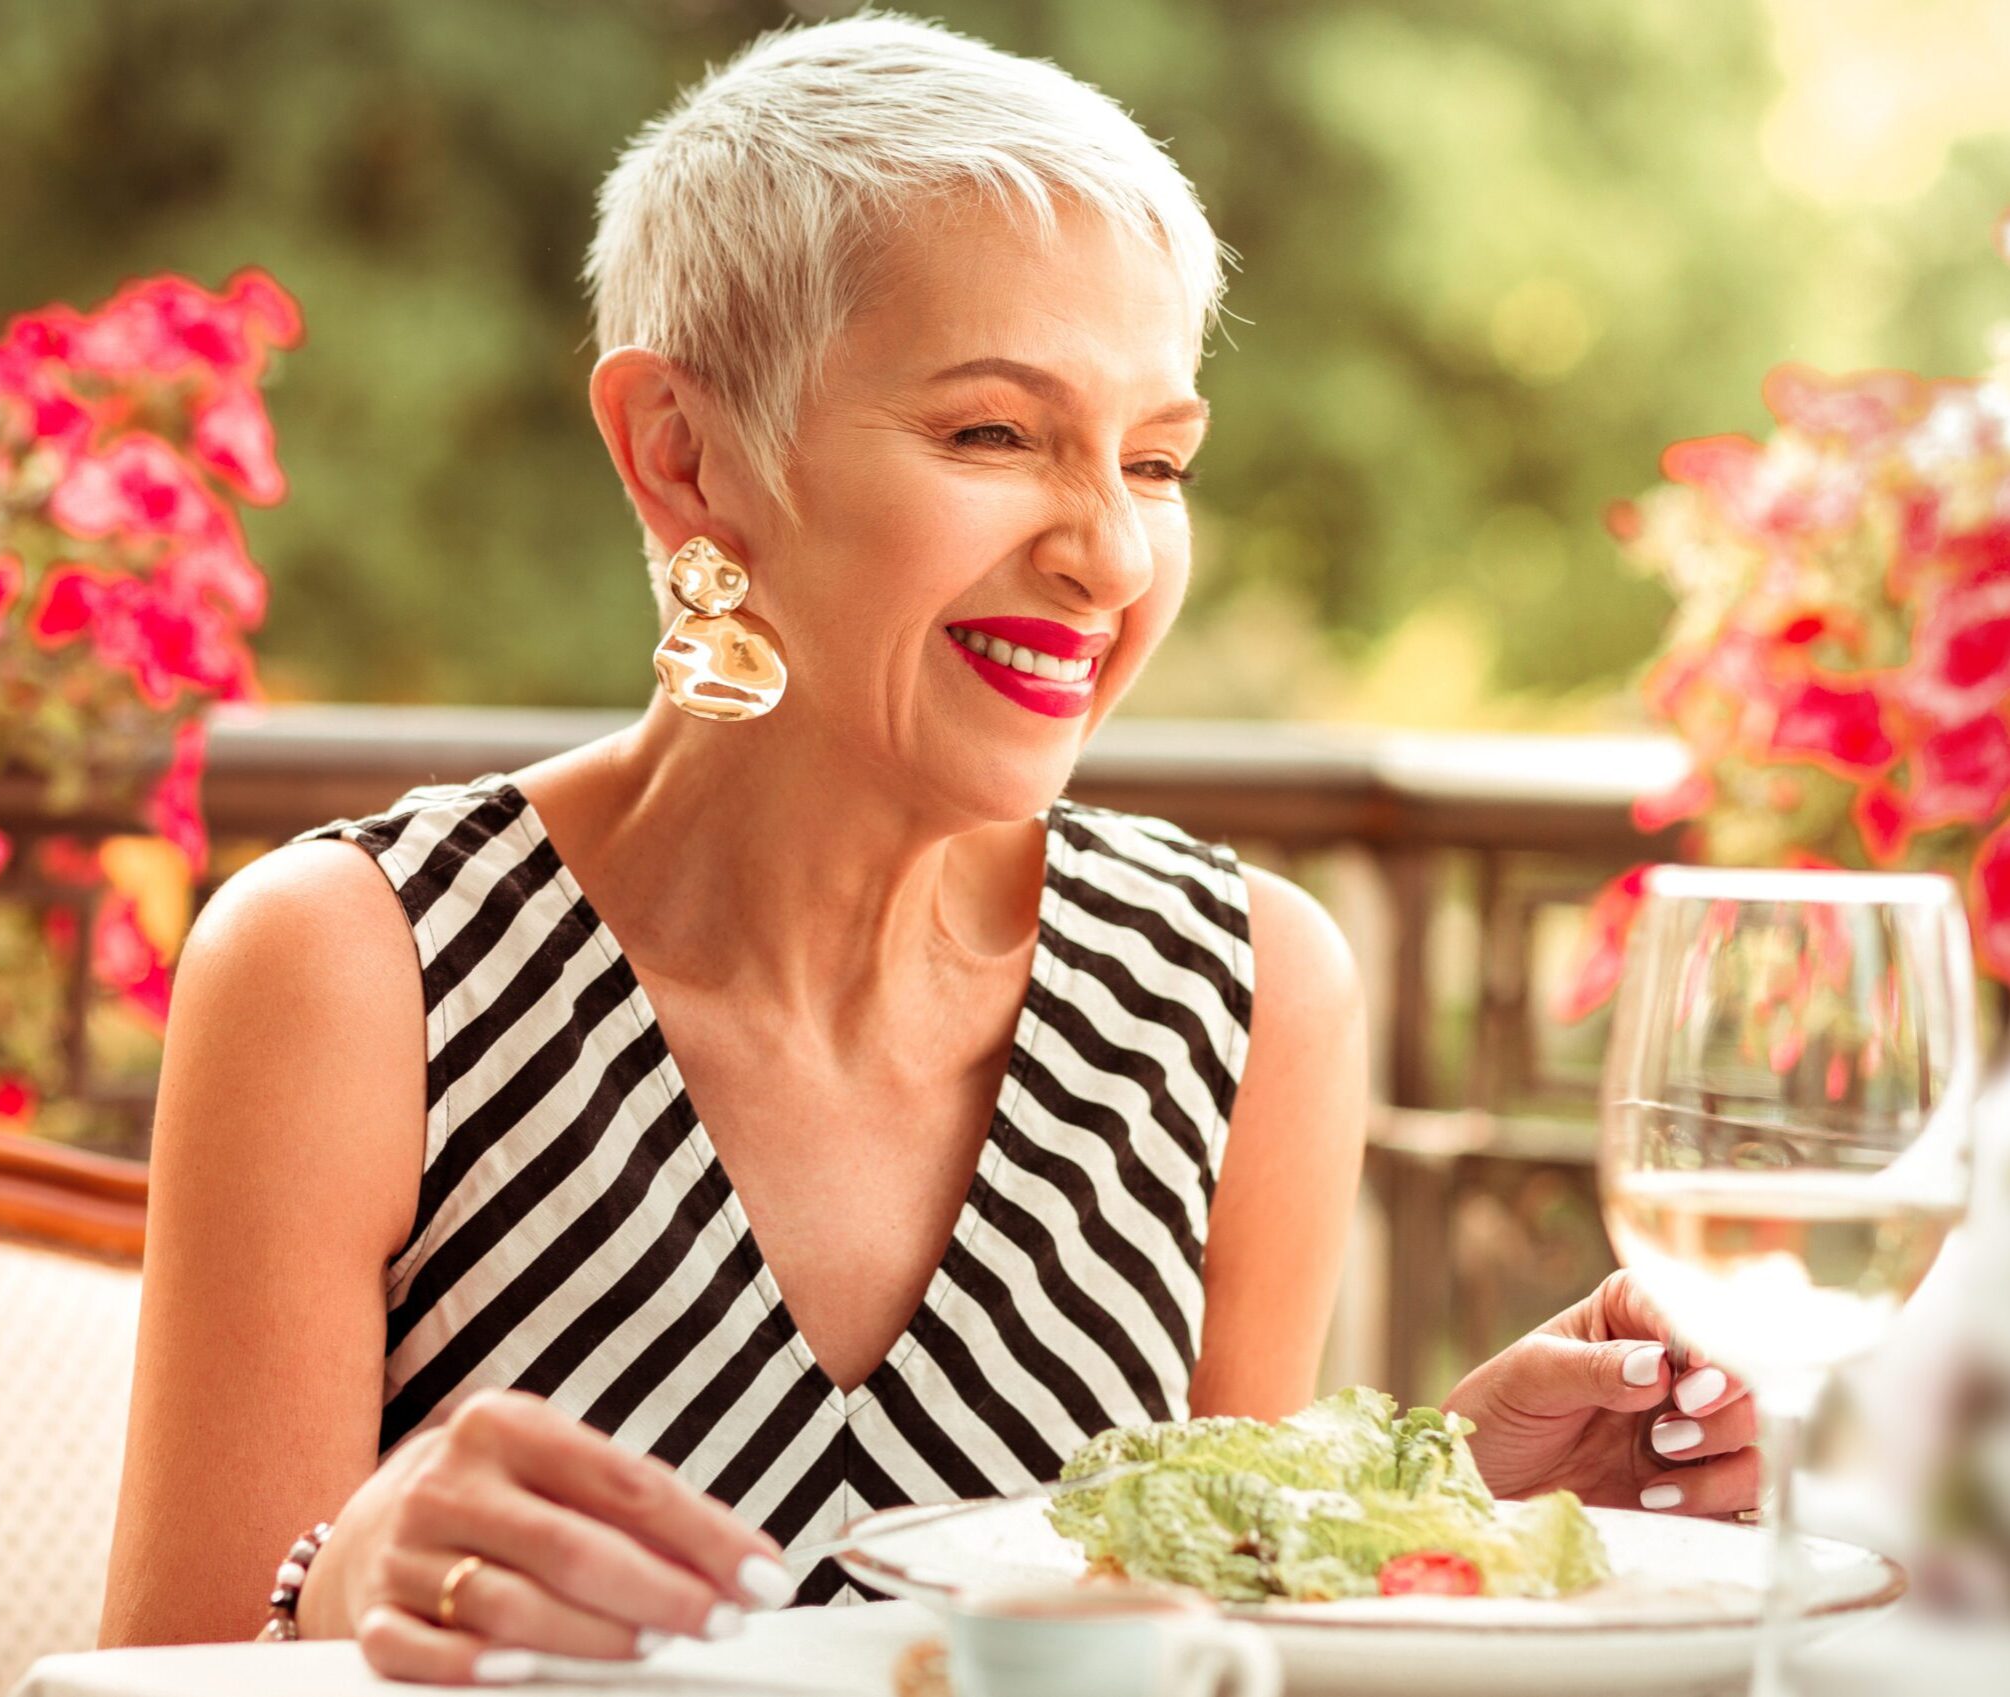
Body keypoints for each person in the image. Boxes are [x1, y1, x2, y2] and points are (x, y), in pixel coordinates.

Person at [100, 12, 1756, 1684]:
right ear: (683, 451)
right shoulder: (355, 964)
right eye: (992, 435)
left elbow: (1204, 1648)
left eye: (1158, 459)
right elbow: (162, 1679)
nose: (1107, 553)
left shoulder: (1243, 989)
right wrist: (342, 1581)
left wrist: (1437, 1515)